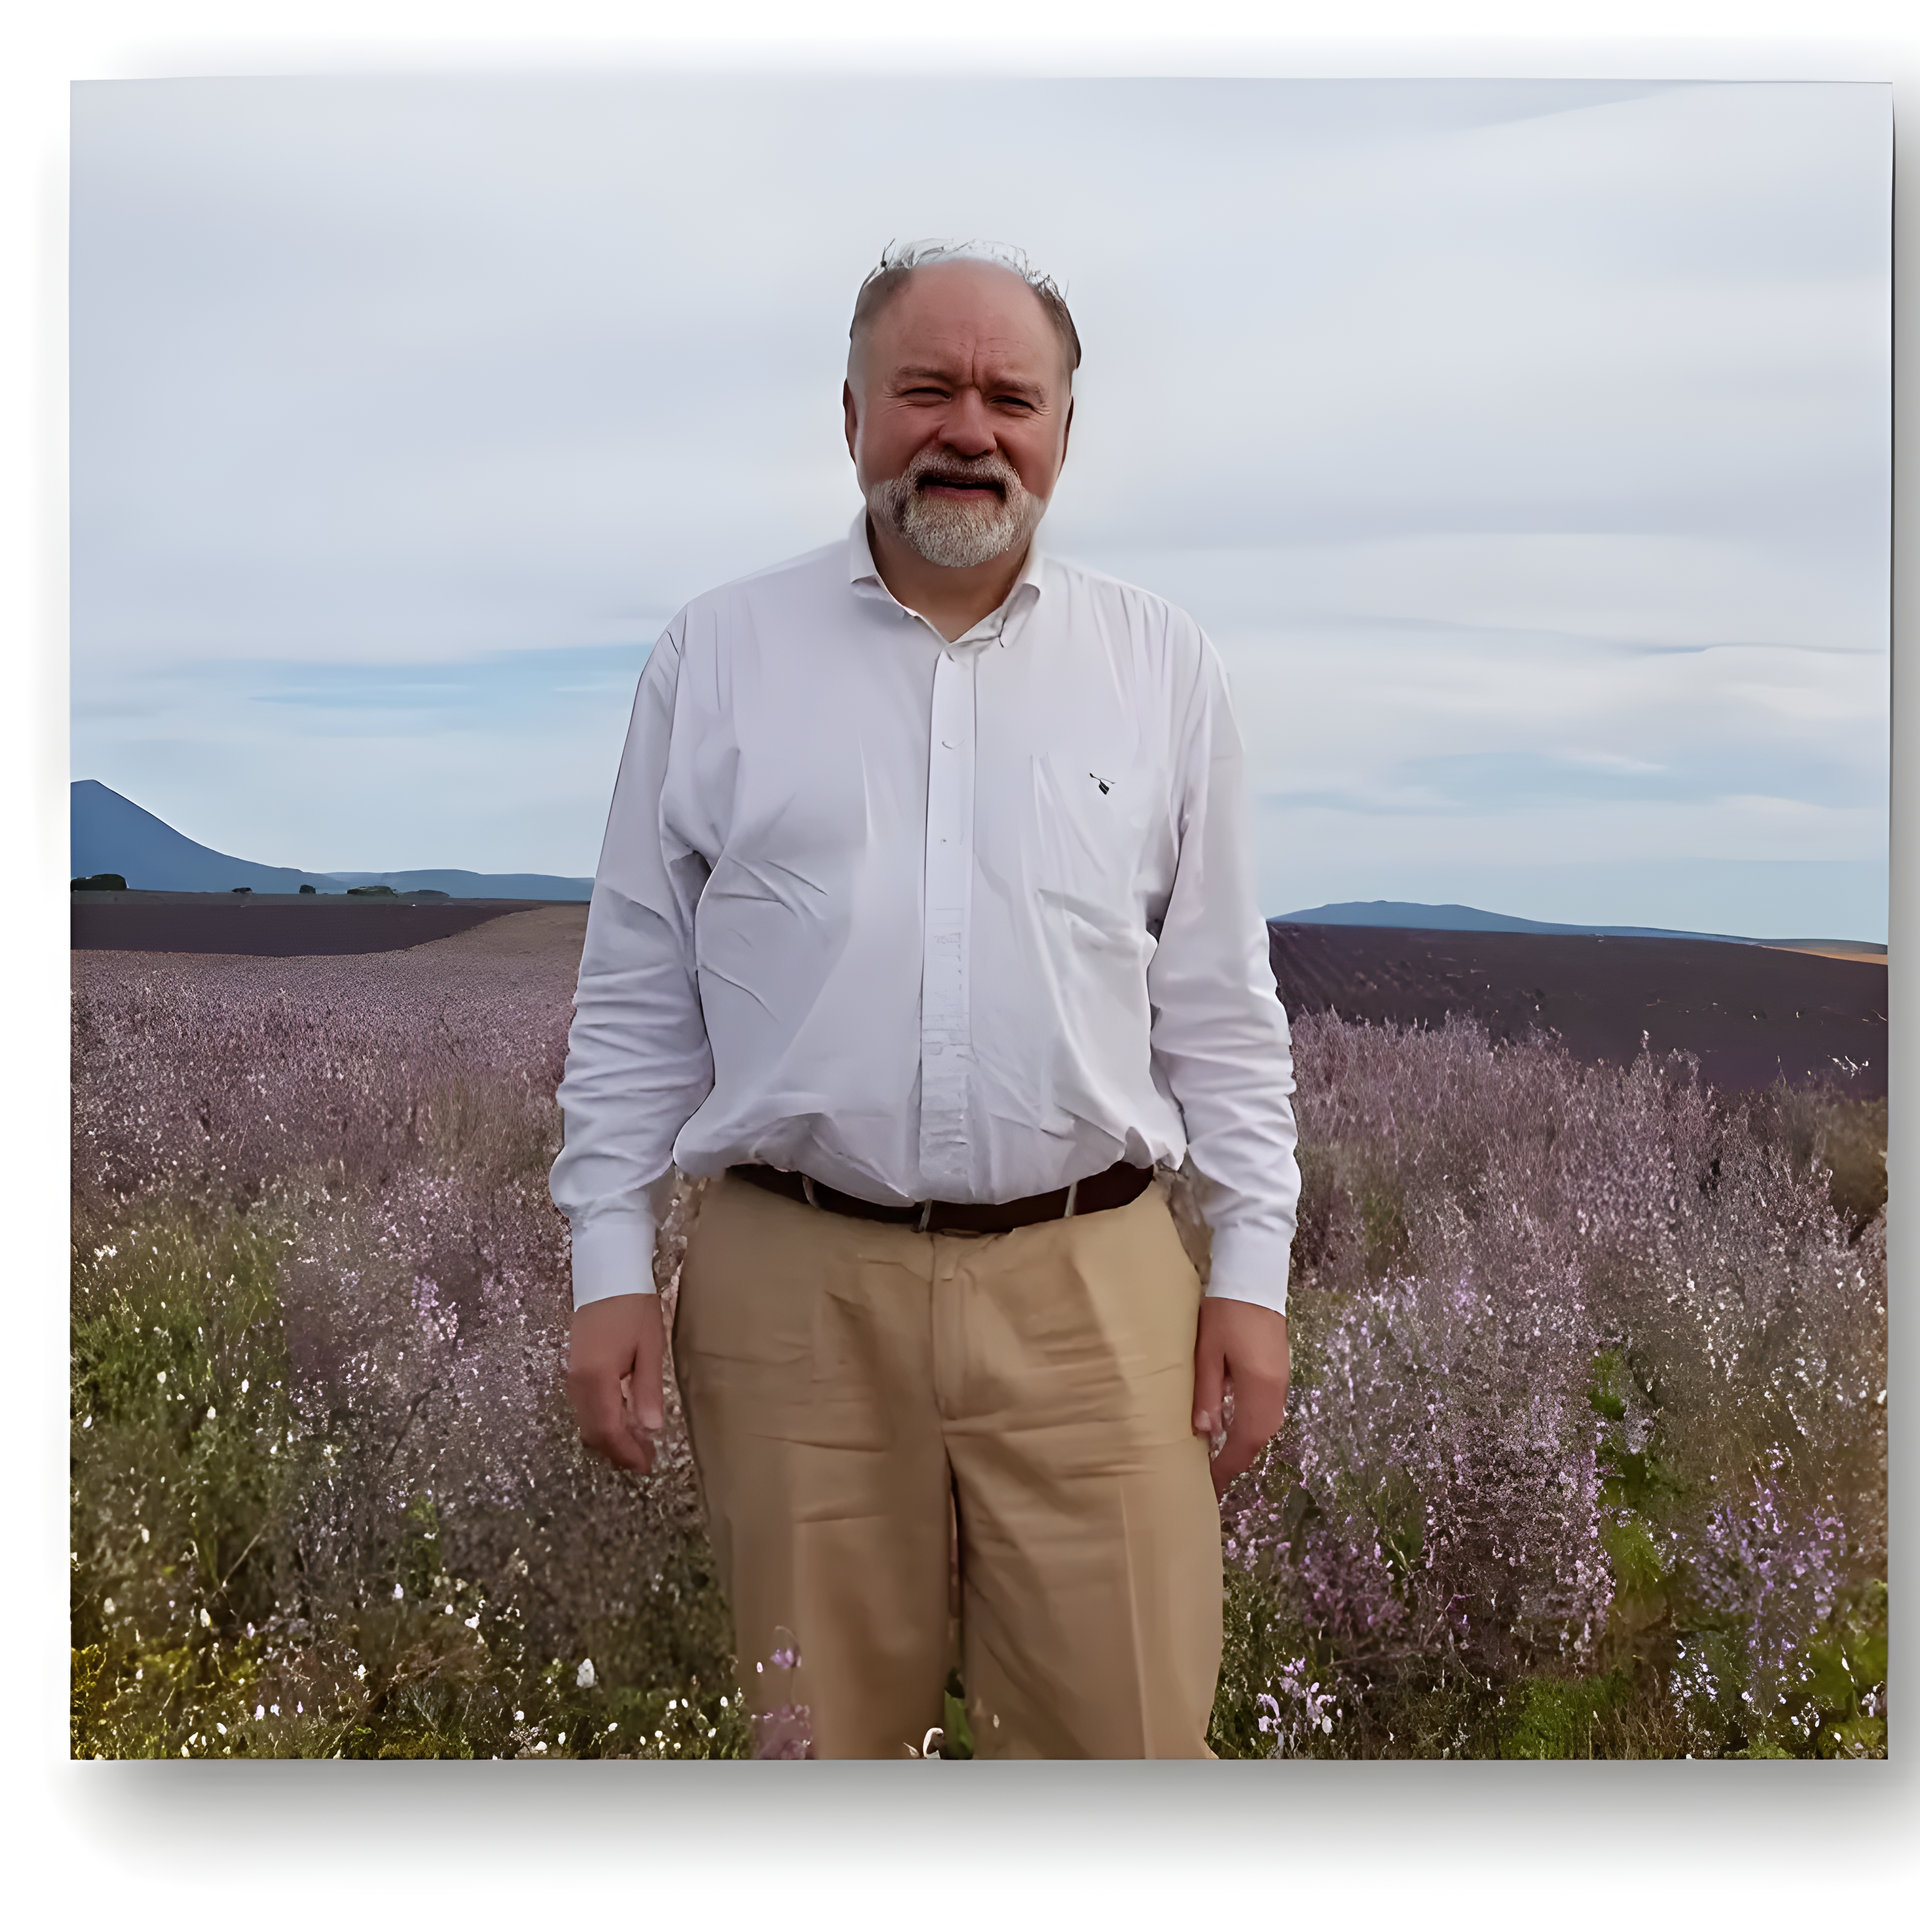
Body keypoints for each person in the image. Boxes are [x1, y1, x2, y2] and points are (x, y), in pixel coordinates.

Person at [549, 240, 1300, 1759]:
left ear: (1065, 433)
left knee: (1132, 1752)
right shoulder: (717, 656)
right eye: (927, 389)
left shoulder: (1162, 668)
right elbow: (637, 996)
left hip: (1097, 1296)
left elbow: (1219, 1004)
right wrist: (606, 1262)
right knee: (818, 1756)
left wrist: (1254, 1274)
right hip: (791, 1293)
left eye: (1012, 396)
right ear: (851, 416)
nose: (970, 429)